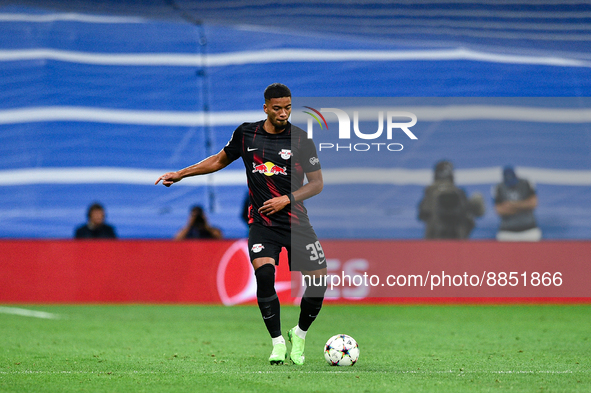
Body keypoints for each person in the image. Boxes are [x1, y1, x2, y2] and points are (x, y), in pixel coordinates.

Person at [155, 83, 327, 365]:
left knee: (319, 282)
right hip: (262, 222)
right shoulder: (247, 133)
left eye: (288, 108)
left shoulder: (301, 139)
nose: (283, 114)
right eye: (277, 109)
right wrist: (182, 174)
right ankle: (277, 343)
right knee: (265, 276)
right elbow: (218, 160)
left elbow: (317, 183)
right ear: (265, 108)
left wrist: (286, 199)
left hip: (296, 222)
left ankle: (299, 334)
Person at [418, 160, 485, 239]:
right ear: (451, 175)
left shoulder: (430, 192)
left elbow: (422, 214)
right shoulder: (458, 192)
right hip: (456, 237)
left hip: (436, 237)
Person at [494, 166, 542, 241]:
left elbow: (533, 204)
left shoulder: (526, 183)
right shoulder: (498, 187)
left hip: (529, 230)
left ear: (516, 176)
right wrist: (524, 205)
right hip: (507, 232)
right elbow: (499, 210)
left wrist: (511, 205)